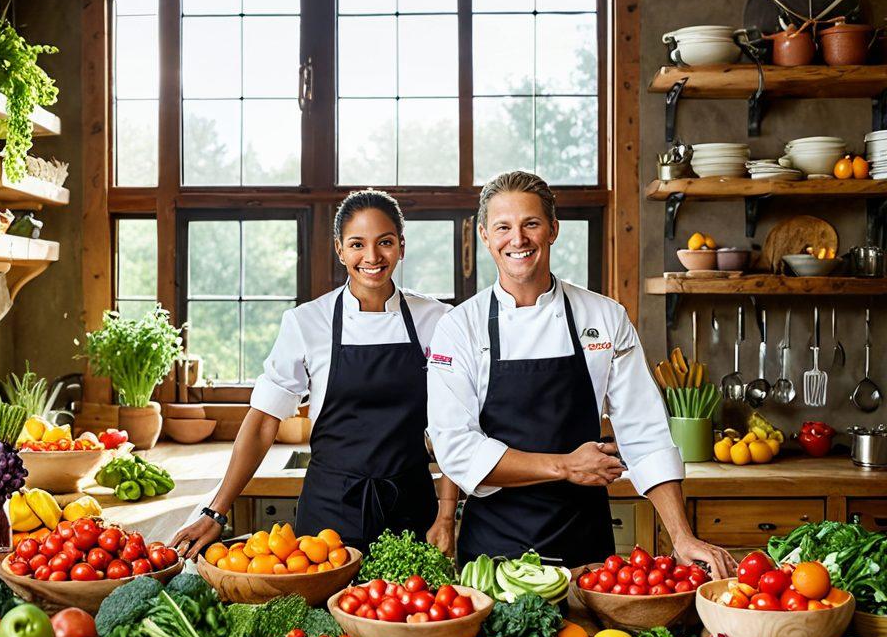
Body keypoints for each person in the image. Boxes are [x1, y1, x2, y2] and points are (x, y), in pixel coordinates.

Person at [426, 171, 735, 579]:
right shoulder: (459, 327)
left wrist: (682, 536)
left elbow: (645, 433)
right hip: (495, 555)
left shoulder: (604, 317)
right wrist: (565, 466)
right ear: (485, 235)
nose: (517, 240)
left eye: (531, 224)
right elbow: (458, 450)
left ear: (553, 229)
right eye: (503, 227)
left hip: (586, 548)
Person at [172, 189, 460, 559]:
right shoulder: (307, 322)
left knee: (405, 617)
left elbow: (454, 423)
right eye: (357, 244)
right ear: (340, 250)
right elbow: (263, 422)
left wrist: (447, 515)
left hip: (411, 508)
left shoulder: (436, 320)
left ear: (401, 246)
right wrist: (216, 510)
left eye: (384, 242)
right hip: (329, 516)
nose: (371, 257)